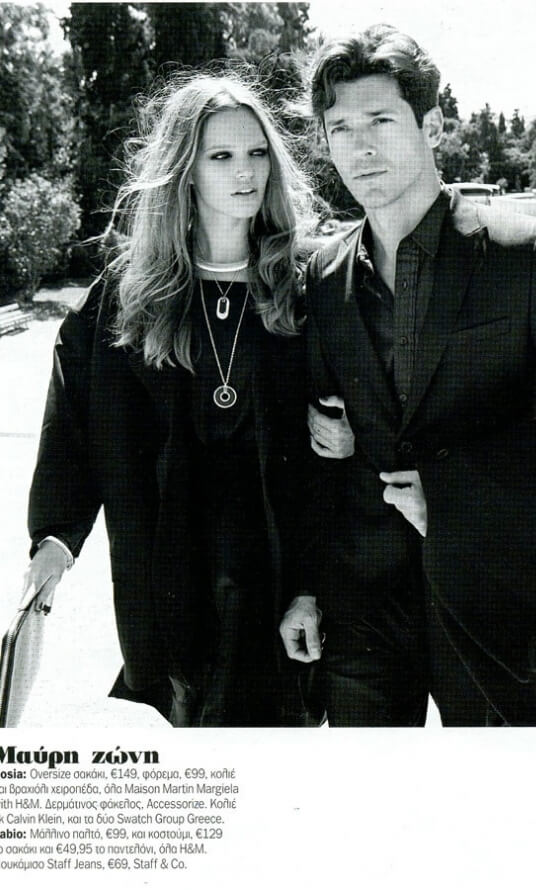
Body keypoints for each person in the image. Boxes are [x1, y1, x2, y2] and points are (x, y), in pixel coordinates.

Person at [281, 24, 536, 726]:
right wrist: (303, 583)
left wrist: (458, 495)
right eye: (341, 129)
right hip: (362, 605)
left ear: (433, 126)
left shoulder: (523, 254)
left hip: (496, 593)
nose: (361, 147)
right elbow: (319, 453)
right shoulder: (322, 276)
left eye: (381, 121)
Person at [23, 72, 352, 727]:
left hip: (273, 575)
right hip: (164, 568)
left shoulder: (304, 287)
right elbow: (75, 423)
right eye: (221, 156)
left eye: (257, 153)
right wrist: (55, 538)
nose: (245, 171)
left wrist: (311, 582)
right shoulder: (129, 295)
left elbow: (340, 440)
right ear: (186, 172)